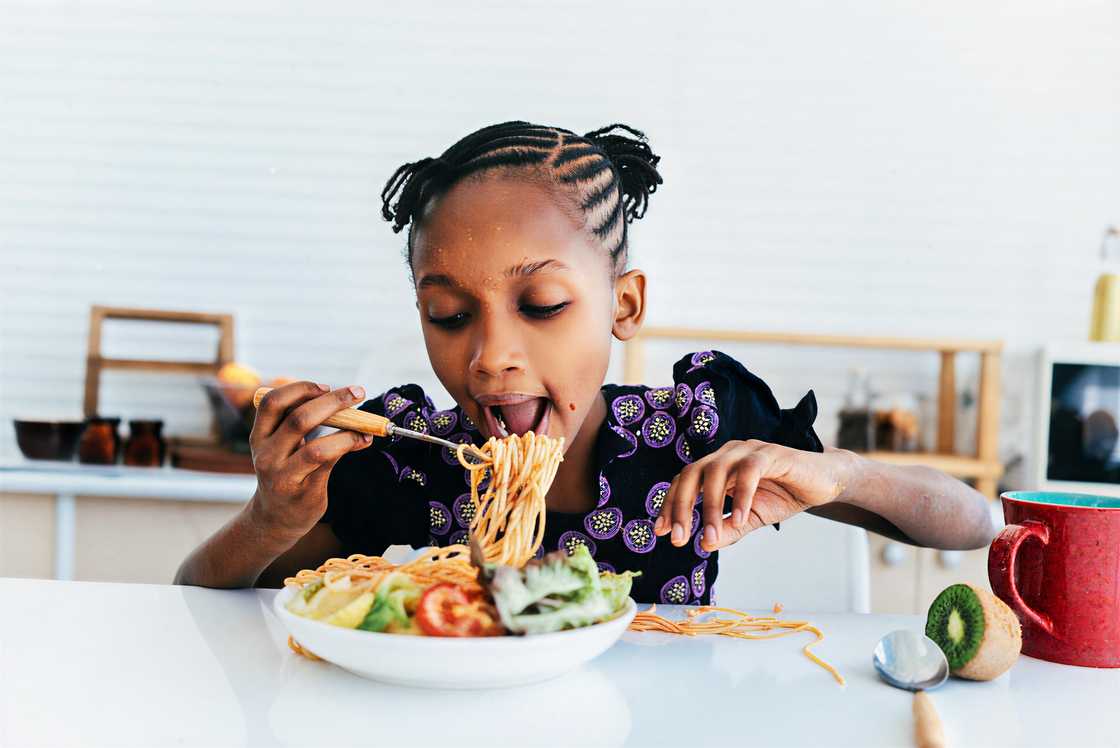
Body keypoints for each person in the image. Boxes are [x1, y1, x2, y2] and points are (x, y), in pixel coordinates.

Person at [176, 121, 995, 604]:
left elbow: (973, 525)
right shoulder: (399, 456)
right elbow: (199, 604)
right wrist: (270, 521)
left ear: (624, 307)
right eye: (450, 316)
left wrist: (842, 475)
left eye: (542, 306)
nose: (492, 357)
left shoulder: (696, 438)